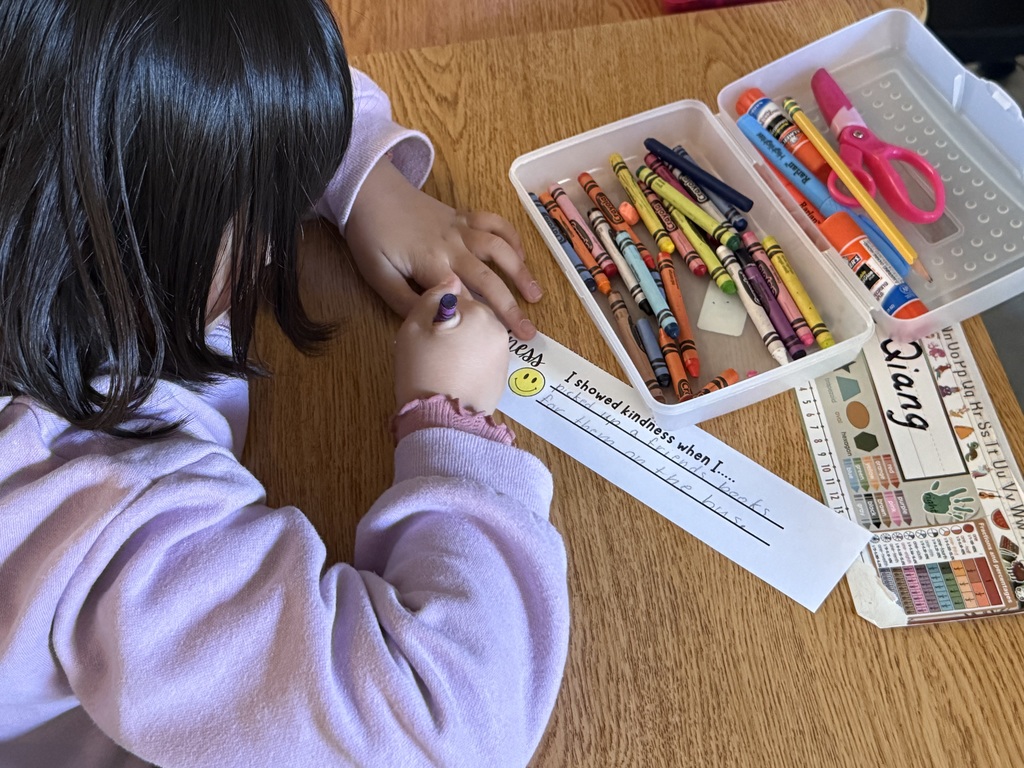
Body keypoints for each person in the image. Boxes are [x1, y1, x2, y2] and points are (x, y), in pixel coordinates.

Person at [0, 0, 569, 766]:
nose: (273, 244)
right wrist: (452, 420)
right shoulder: (96, 518)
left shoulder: (45, 145)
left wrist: (368, 181)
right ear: (110, 228)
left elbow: (185, 68)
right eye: (255, 206)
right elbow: (452, 721)